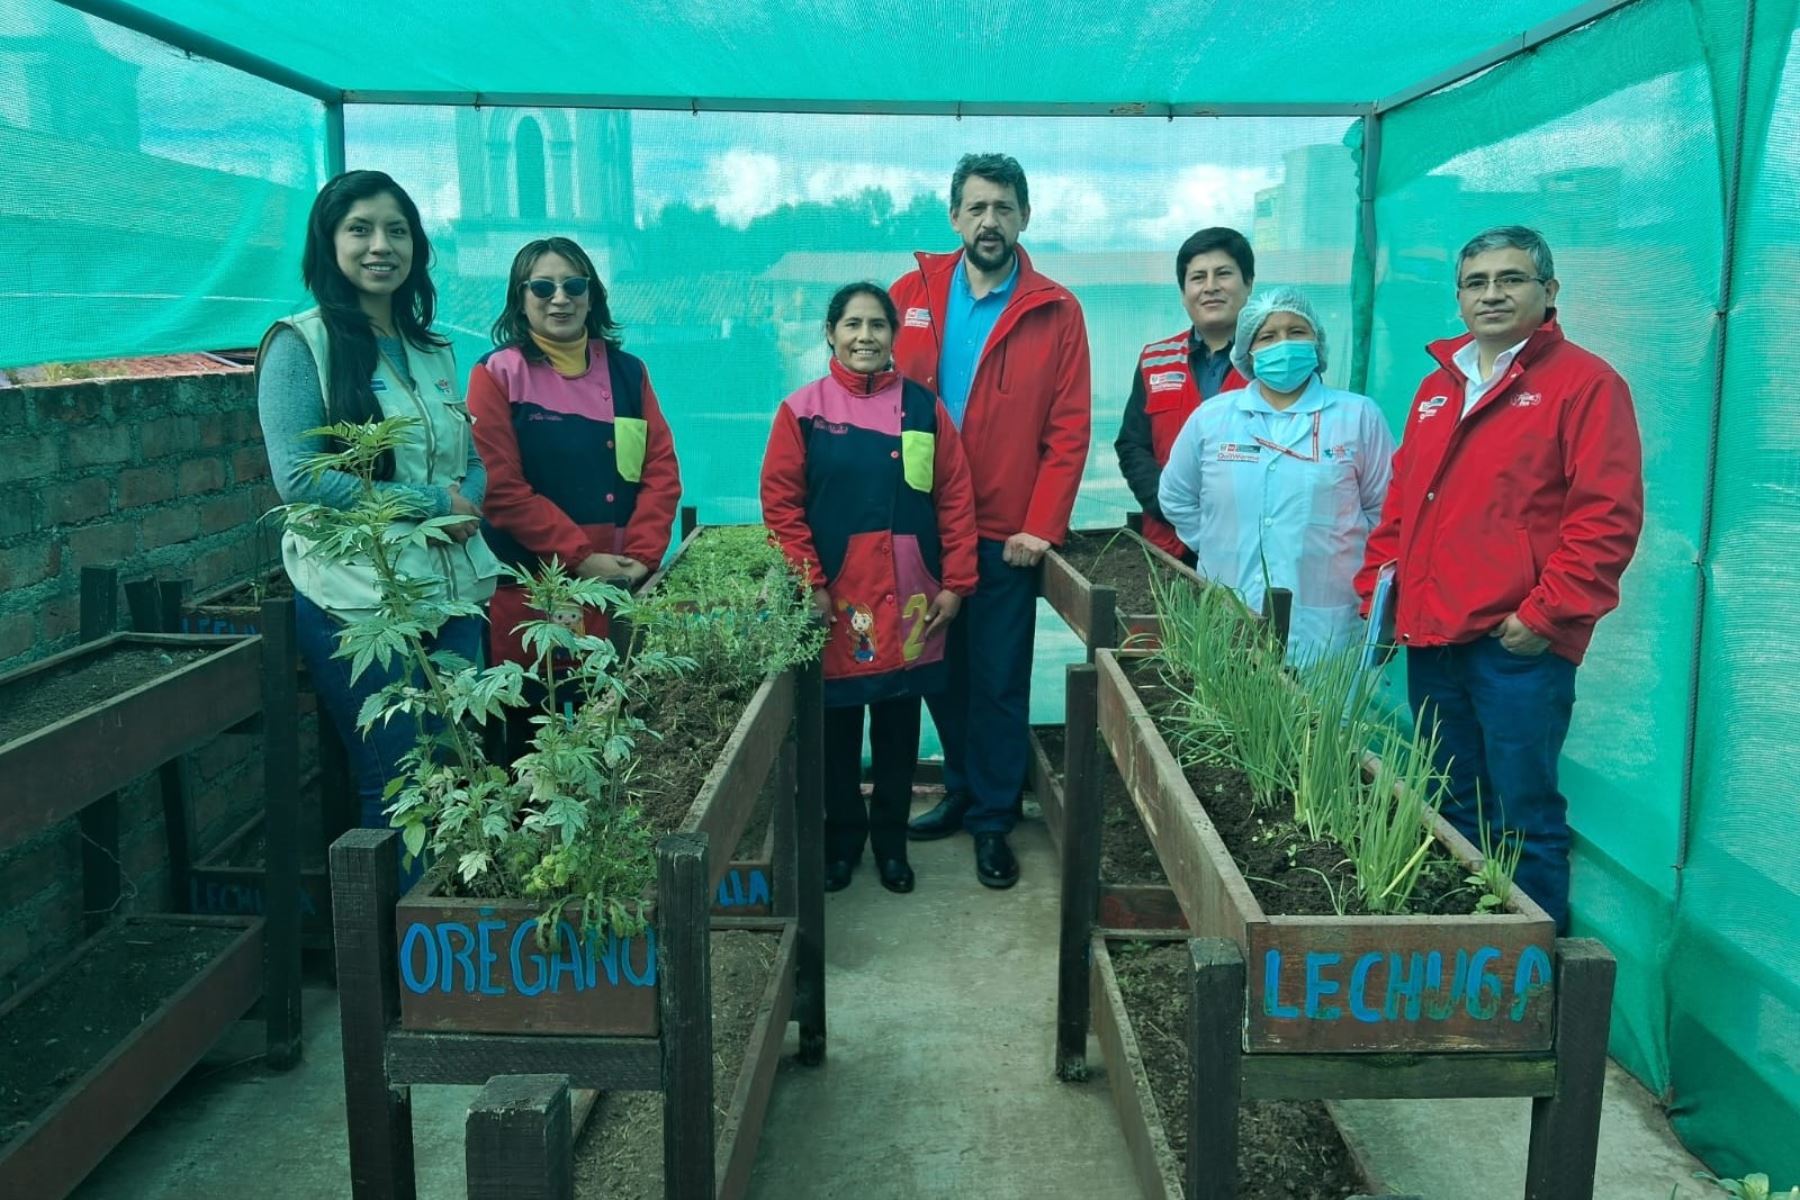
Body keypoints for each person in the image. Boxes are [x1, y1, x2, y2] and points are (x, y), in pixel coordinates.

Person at [1355, 226, 1643, 933]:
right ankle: (1470, 960)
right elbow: (1403, 506)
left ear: (1548, 293)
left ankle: (1531, 986)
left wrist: (1543, 618)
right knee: (1452, 806)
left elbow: (1606, 518)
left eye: (1511, 279)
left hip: (1515, 649)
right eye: (1477, 281)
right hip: (1432, 639)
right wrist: (1379, 600)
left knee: (1525, 815)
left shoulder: (1584, 383)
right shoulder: (1436, 387)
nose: (1492, 293)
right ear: (1458, 298)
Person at [257, 169, 503, 831]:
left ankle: (450, 929)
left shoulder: (434, 348)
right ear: (329, 243)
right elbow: (300, 477)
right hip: (361, 600)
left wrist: (467, 502)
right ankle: (395, 937)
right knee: (401, 784)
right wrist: (432, 503)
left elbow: (469, 461)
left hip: (451, 594)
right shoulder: (300, 344)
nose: (380, 245)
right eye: (359, 229)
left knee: (459, 774)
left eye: (396, 230)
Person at [890, 152, 1092, 889]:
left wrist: (1040, 526)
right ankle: (963, 790)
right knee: (939, 672)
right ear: (953, 216)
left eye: (1003, 207)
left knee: (1001, 678)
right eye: (976, 207)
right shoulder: (911, 292)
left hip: (1005, 533)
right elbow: (879, 396)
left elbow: (1068, 430)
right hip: (923, 527)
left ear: (1024, 217)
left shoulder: (1056, 309)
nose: (989, 221)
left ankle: (994, 822)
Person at [761, 282, 978, 895]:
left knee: (897, 728)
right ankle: (842, 843)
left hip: (912, 598)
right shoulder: (802, 411)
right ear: (829, 333)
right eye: (852, 324)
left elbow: (955, 497)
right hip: (837, 601)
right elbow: (782, 506)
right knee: (835, 732)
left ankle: (890, 845)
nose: (865, 336)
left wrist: (956, 582)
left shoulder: (923, 409)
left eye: (877, 325)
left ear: (893, 335)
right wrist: (811, 583)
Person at [467, 236, 681, 741]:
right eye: (542, 286)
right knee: (531, 738)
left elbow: (661, 471)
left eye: (573, 284)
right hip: (528, 591)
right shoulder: (497, 373)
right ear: (520, 299)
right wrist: (582, 559)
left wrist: (643, 558)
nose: (559, 297)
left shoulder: (629, 373)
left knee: (615, 730)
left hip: (617, 586)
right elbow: (500, 488)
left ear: (592, 295)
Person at [1157, 287, 1394, 663]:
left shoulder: (1358, 417)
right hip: (1230, 610)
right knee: (1230, 715)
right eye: (1267, 336)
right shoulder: (1213, 417)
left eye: (1296, 332)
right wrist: (1222, 541)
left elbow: (1385, 513)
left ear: (1316, 341)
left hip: (1327, 619)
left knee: (1321, 720)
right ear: (1249, 350)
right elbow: (1175, 496)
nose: (1283, 343)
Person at [1116, 227, 1255, 562]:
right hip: (1169, 547)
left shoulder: (1272, 364)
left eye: (1223, 274)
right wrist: (1167, 504)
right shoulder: (1155, 360)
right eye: (1198, 277)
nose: (1210, 287)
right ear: (1183, 291)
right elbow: (1132, 444)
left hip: (1248, 549)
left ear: (1248, 283)